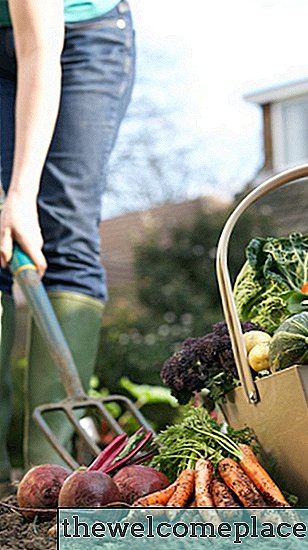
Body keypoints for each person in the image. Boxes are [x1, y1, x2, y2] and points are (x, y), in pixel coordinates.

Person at [0, 0, 135, 486]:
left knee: (63, 228)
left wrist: (20, 194)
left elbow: (38, 49)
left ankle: (46, 476)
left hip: (77, 40)